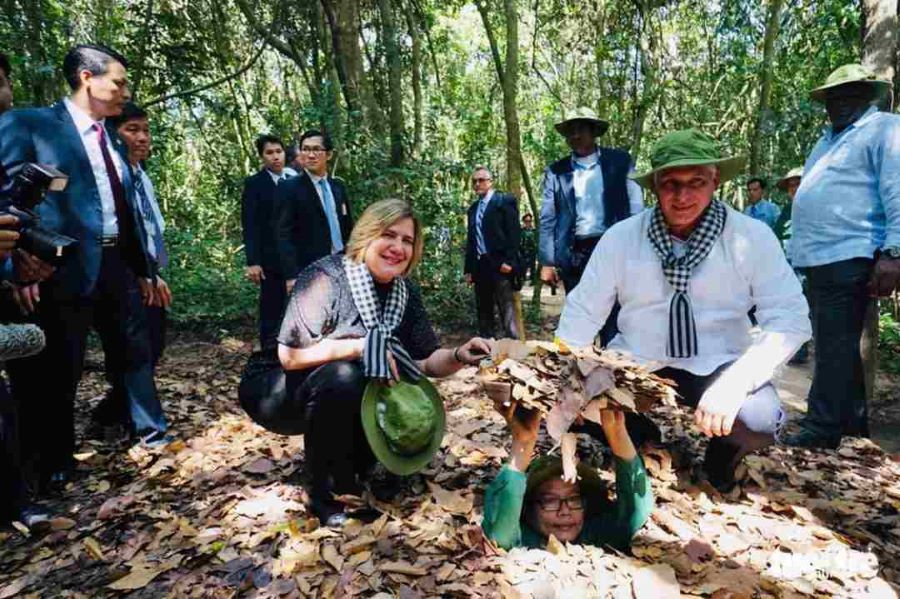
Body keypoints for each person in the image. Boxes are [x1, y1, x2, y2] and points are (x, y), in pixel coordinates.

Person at [556, 130, 811, 488]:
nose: (682, 196)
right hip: (638, 358)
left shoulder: (750, 237)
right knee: (576, 405)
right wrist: (562, 378)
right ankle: (640, 439)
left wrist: (736, 383)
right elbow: (582, 312)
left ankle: (721, 458)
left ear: (715, 180)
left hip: (720, 359)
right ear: (654, 186)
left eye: (696, 182)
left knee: (759, 420)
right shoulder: (622, 238)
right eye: (670, 184)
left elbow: (790, 317)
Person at [243, 199, 491, 526]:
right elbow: (289, 357)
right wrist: (360, 346)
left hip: (341, 387)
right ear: (367, 236)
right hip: (275, 390)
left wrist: (461, 355)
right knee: (347, 375)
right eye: (389, 235)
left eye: (407, 241)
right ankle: (324, 494)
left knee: (378, 379)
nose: (397, 247)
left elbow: (426, 363)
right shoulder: (326, 277)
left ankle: (353, 473)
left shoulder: (405, 293)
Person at [0, 44, 167, 488]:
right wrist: (18, 260)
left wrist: (145, 267)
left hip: (118, 264)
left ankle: (154, 436)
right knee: (59, 365)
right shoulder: (30, 124)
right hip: (60, 266)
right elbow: (10, 197)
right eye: (119, 80)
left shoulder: (111, 136)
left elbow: (125, 205)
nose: (124, 90)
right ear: (86, 78)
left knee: (136, 350)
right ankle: (53, 462)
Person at [786, 64, 900, 449]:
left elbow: (897, 189)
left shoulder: (883, 128)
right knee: (838, 342)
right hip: (820, 257)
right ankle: (851, 429)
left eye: (849, 94)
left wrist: (894, 251)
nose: (839, 103)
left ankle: (822, 427)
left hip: (851, 250)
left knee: (833, 343)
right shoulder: (828, 140)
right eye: (833, 97)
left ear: (867, 95)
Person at [482, 399, 651, 550]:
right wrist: (522, 445)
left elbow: (634, 513)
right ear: (527, 509)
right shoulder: (523, 540)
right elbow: (501, 535)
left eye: (574, 499)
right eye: (550, 501)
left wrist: (617, 432)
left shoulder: (593, 536)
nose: (565, 511)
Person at [539, 107, 643, 294]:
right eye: (570, 131)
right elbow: (548, 218)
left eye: (581, 130)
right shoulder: (555, 172)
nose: (575, 135)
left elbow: (636, 205)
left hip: (614, 247)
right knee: (579, 312)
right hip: (574, 253)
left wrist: (636, 244)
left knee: (616, 309)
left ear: (594, 132)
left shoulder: (620, 162)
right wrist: (547, 262)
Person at [275, 130, 353, 293]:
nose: (310, 155)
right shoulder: (289, 188)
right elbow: (283, 234)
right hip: (309, 270)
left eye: (316, 149)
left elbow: (348, 227)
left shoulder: (338, 187)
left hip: (342, 264)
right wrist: (291, 275)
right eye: (305, 149)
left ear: (329, 154)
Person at [242, 134, 294, 347]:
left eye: (278, 152)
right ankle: (267, 355)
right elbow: (250, 224)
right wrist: (253, 261)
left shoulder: (295, 180)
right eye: (269, 153)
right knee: (271, 308)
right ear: (262, 157)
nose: (275, 157)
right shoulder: (255, 184)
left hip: (296, 257)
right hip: (270, 259)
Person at [464, 166, 521, 339]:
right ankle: (487, 352)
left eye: (481, 180)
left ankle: (514, 351)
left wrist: (510, 262)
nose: (477, 184)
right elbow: (471, 240)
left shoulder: (504, 201)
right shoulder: (473, 209)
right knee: (484, 310)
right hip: (480, 266)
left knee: (507, 310)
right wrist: (468, 269)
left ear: (490, 181)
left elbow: (514, 234)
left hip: (500, 265)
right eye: (474, 181)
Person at [772, 167, 809, 365]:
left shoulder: (815, 206)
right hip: (787, 263)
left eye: (797, 183)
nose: (793, 188)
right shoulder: (787, 210)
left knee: (803, 305)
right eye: (791, 185)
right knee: (789, 305)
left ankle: (802, 350)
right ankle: (795, 349)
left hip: (806, 264)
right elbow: (777, 234)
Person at [519, 213, 537, 283]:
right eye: (526, 221)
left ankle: (532, 280)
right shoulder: (521, 230)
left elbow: (536, 240)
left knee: (532, 266)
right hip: (523, 251)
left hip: (532, 251)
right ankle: (522, 279)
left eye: (529, 221)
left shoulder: (534, 230)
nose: (528, 223)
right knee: (523, 266)